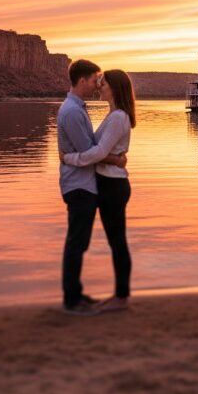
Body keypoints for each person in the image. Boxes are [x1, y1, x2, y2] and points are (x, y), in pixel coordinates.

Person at [61, 69, 136, 313]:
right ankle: (119, 296)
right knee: (116, 241)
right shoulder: (113, 115)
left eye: (103, 84)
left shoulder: (117, 117)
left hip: (112, 186)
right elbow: (101, 151)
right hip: (107, 182)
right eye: (98, 82)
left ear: (114, 88)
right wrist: (115, 159)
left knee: (117, 242)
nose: (99, 87)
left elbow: (98, 152)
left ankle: (121, 297)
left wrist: (69, 158)